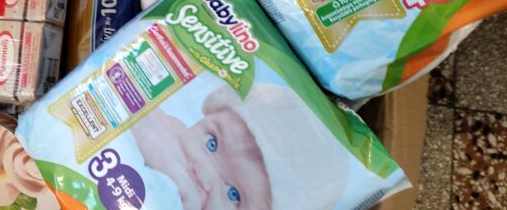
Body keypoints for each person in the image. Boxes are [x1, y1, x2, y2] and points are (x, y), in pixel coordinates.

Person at [131, 82, 349, 209]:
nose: (204, 177)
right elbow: (134, 111)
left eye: (233, 195)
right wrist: (156, 147)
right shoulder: (167, 132)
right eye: (211, 143)